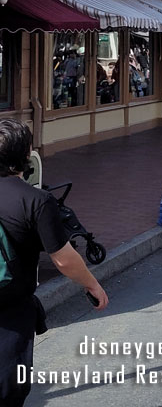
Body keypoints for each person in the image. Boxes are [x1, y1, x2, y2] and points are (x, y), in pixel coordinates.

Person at [0, 120, 109, 406]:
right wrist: (92, 284)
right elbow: (63, 259)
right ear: (25, 156)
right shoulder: (35, 200)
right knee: (11, 388)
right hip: (11, 311)